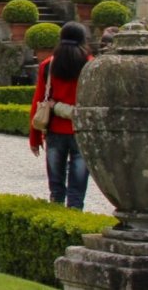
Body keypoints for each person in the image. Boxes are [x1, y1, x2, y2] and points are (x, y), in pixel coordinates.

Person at [29, 22, 93, 209]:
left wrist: (34, 137)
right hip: (81, 130)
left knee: (56, 189)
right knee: (77, 189)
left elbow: (38, 101)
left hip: (55, 130)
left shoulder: (49, 65)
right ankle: (74, 220)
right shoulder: (90, 64)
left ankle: (56, 222)